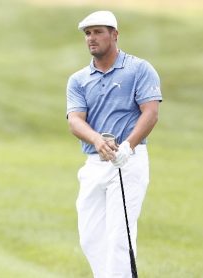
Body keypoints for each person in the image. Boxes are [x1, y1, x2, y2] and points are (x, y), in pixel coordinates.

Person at [66, 11, 162, 277]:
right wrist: (97, 140)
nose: (91, 38)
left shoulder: (139, 69)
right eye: (88, 33)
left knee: (120, 237)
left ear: (114, 34)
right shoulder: (79, 79)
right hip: (94, 163)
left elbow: (150, 113)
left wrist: (127, 147)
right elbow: (75, 120)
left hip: (128, 162)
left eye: (98, 32)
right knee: (90, 237)